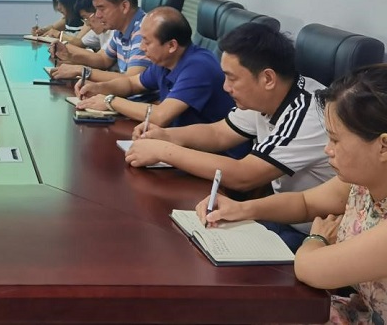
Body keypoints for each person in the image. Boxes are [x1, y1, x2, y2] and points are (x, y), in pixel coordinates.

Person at [196, 65, 387, 324]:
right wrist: (243, 208)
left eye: (335, 140)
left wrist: (316, 238)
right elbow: (305, 202)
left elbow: (311, 269)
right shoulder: (367, 180)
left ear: (384, 147)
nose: (328, 150)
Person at [126, 22, 333, 248]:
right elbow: (218, 133)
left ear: (268, 79)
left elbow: (245, 175)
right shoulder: (268, 96)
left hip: (313, 233)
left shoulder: (308, 113)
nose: (225, 87)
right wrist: (166, 135)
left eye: (232, 78)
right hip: (280, 214)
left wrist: (164, 152)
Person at [76, 7, 235, 130]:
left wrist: (110, 101)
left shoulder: (199, 67)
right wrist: (99, 88)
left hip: (214, 155)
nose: (142, 47)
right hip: (179, 141)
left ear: (171, 45)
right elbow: (132, 83)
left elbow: (160, 116)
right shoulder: (165, 61)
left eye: (147, 42)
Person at [49, 0, 148, 82]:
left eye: (102, 9)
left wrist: (81, 71)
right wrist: (69, 54)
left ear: (124, 7)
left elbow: (132, 80)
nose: (97, 15)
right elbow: (103, 59)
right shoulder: (120, 29)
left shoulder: (144, 31)